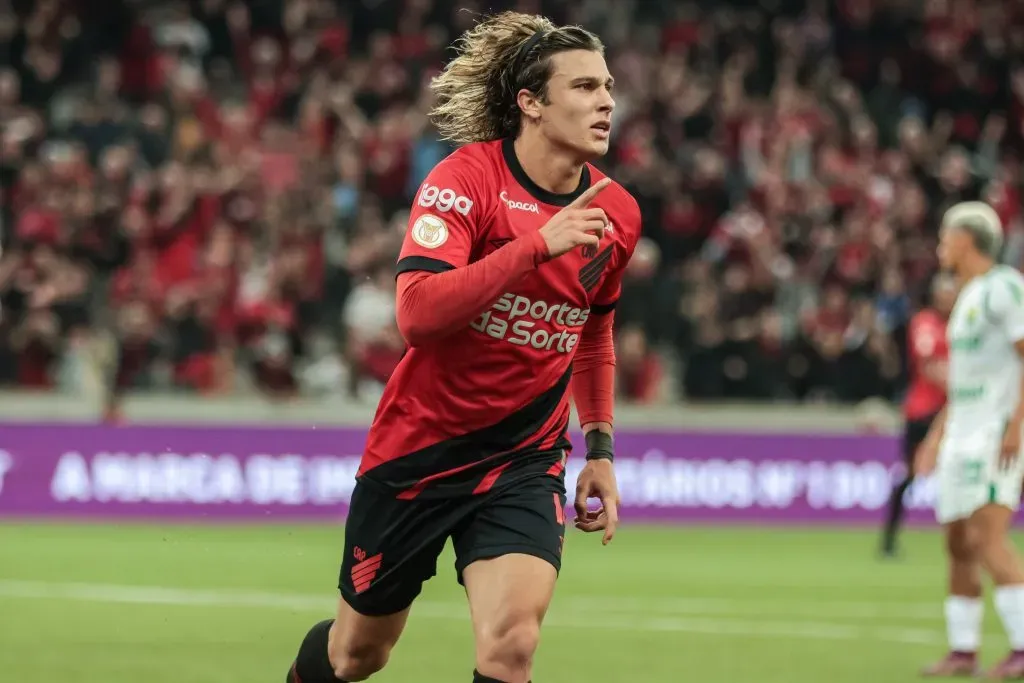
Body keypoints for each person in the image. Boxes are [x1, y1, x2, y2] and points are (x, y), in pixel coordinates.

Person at [286, 11, 641, 683]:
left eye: (609, 86)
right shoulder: (465, 181)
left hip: (523, 458)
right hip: (420, 448)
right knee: (357, 654)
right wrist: (537, 246)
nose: (606, 102)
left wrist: (599, 448)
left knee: (511, 646)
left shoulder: (618, 212)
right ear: (530, 104)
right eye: (586, 87)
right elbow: (417, 314)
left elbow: (593, 328)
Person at [916, 202, 1024, 678]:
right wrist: (935, 436)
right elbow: (961, 383)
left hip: (995, 431)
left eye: (946, 233)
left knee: (987, 535)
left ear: (967, 239)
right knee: (958, 542)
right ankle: (963, 651)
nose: (940, 242)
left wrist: (1017, 424)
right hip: (962, 431)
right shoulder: (967, 298)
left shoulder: (1005, 288)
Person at [879, 274, 956, 557]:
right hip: (924, 412)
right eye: (944, 292)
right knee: (911, 473)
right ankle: (888, 540)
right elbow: (929, 367)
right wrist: (967, 389)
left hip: (952, 412)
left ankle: (966, 537)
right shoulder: (925, 323)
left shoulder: (961, 323)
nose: (948, 297)